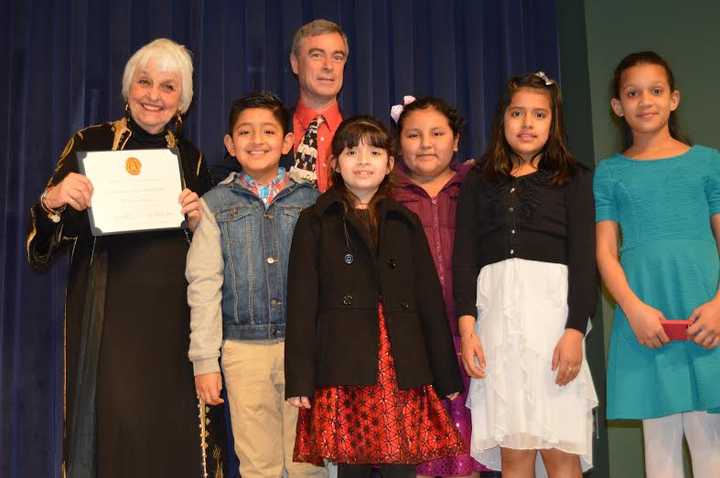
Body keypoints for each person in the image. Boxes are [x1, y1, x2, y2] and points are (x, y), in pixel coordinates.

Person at [25, 38, 221, 477]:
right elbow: (41, 250)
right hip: (110, 316)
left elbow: (213, 256)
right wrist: (55, 199)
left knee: (174, 435)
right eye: (144, 82)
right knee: (116, 431)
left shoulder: (192, 158)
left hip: (176, 322)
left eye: (168, 87)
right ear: (127, 88)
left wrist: (198, 225)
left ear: (183, 100)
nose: (154, 95)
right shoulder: (90, 142)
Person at [285, 116, 465, 478]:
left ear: (389, 163)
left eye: (374, 151)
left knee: (402, 469)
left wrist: (446, 376)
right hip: (347, 367)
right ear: (334, 163)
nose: (363, 160)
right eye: (351, 152)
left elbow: (429, 301)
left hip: (401, 364)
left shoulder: (404, 221)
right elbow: (302, 305)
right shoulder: (315, 220)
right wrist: (300, 379)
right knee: (352, 470)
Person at [454, 72, 598, 476]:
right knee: (515, 451)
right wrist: (468, 329)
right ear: (502, 118)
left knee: (558, 449)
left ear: (554, 122)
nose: (527, 123)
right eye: (517, 113)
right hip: (497, 324)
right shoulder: (479, 181)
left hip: (552, 326)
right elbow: (463, 258)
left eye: (539, 114)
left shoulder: (574, 178)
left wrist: (574, 330)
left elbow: (585, 262)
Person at [187, 92, 326, 478]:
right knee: (257, 465)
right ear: (230, 145)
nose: (257, 140)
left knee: (308, 465)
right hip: (242, 352)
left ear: (287, 142)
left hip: (305, 350)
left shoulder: (314, 202)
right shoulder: (214, 205)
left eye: (268, 131)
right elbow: (203, 285)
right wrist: (205, 360)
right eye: (245, 132)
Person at [594, 51, 720, 478]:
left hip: (708, 316)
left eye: (655, 90)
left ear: (674, 99)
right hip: (647, 320)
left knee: (711, 445)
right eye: (632, 93)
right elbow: (605, 252)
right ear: (617, 106)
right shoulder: (610, 173)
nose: (644, 100)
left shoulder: (707, 162)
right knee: (660, 449)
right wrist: (633, 309)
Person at [390, 96, 487, 478]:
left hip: (473, 336)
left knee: (468, 451)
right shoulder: (385, 195)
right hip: (413, 344)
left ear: (457, 140)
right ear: (398, 144)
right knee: (420, 457)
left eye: (437, 133)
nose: (426, 144)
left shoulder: (478, 189)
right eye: (413, 135)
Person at [214, 19, 347, 191]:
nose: (328, 66)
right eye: (317, 55)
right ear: (295, 63)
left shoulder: (364, 135)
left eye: (337, 57)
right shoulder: (264, 130)